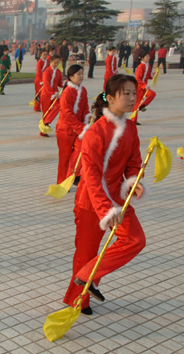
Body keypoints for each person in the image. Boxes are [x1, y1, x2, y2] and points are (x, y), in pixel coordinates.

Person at [63, 74, 146, 316]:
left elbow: (133, 162)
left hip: (119, 199)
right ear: (110, 98)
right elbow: (91, 176)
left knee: (135, 240)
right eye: (126, 94)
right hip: (91, 203)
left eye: (134, 93)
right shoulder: (96, 132)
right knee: (86, 252)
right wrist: (104, 209)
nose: (132, 98)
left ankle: (87, 277)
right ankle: (77, 300)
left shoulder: (130, 128)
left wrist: (133, 182)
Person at [56, 65, 90, 185]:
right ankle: (62, 183)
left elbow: (85, 107)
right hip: (65, 130)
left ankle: (73, 175)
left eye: (82, 73)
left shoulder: (83, 90)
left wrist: (87, 118)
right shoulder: (67, 92)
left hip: (79, 129)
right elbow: (67, 114)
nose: (81, 76)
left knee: (80, 151)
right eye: (78, 74)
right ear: (71, 77)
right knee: (64, 158)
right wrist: (81, 128)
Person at [39, 55, 63, 137]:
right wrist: (52, 93)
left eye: (57, 63)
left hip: (55, 94)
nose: (56, 64)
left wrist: (66, 85)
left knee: (58, 106)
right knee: (46, 112)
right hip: (46, 94)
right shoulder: (47, 71)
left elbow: (60, 83)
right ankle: (43, 130)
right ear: (51, 62)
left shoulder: (58, 72)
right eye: (55, 63)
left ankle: (47, 122)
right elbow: (46, 84)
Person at [133, 53, 157, 125]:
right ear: (142, 58)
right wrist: (144, 85)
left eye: (148, 56)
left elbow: (148, 76)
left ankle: (142, 106)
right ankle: (133, 120)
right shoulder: (140, 66)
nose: (148, 58)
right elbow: (137, 78)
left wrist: (153, 75)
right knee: (137, 103)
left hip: (144, 87)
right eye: (146, 56)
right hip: (139, 87)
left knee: (152, 94)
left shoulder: (148, 66)